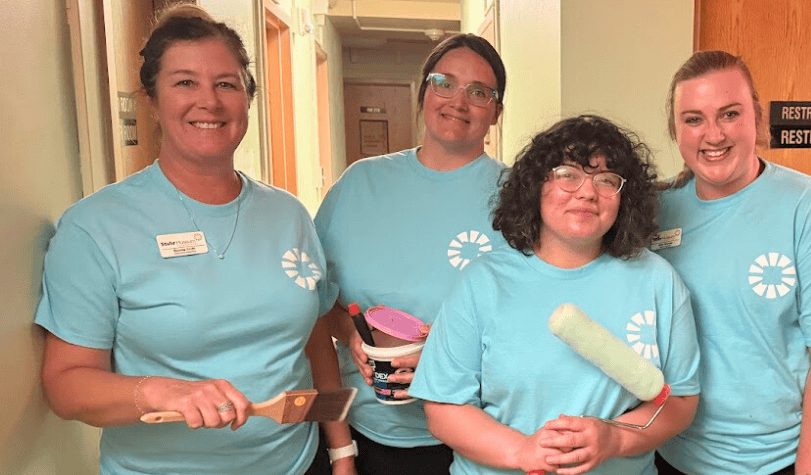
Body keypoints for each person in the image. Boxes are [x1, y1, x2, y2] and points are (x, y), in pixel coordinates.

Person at [36, 5, 353, 474]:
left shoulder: (289, 214)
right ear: (151, 98)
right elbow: (66, 386)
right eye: (185, 82)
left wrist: (341, 451)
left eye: (226, 84)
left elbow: (314, 337)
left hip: (298, 462)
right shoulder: (95, 228)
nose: (209, 101)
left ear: (248, 98)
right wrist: (161, 391)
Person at [408, 114, 701, 475]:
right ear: (537, 185)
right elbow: (443, 409)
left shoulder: (658, 281)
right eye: (568, 175)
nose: (587, 192)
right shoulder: (483, 282)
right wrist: (521, 451)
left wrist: (615, 439)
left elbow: (679, 402)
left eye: (606, 180)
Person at [653, 50, 811, 475]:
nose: (713, 134)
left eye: (730, 114)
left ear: (756, 116)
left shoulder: (810, 208)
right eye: (694, 119)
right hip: (673, 455)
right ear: (676, 131)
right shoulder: (656, 211)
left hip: (779, 460)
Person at [315, 33, 508, 474]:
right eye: (444, 83)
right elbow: (316, 303)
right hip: (365, 432)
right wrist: (351, 334)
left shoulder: (519, 196)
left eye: (479, 92)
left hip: (482, 432)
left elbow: (538, 317)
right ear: (423, 92)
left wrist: (449, 356)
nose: (459, 101)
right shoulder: (360, 184)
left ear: (496, 112)